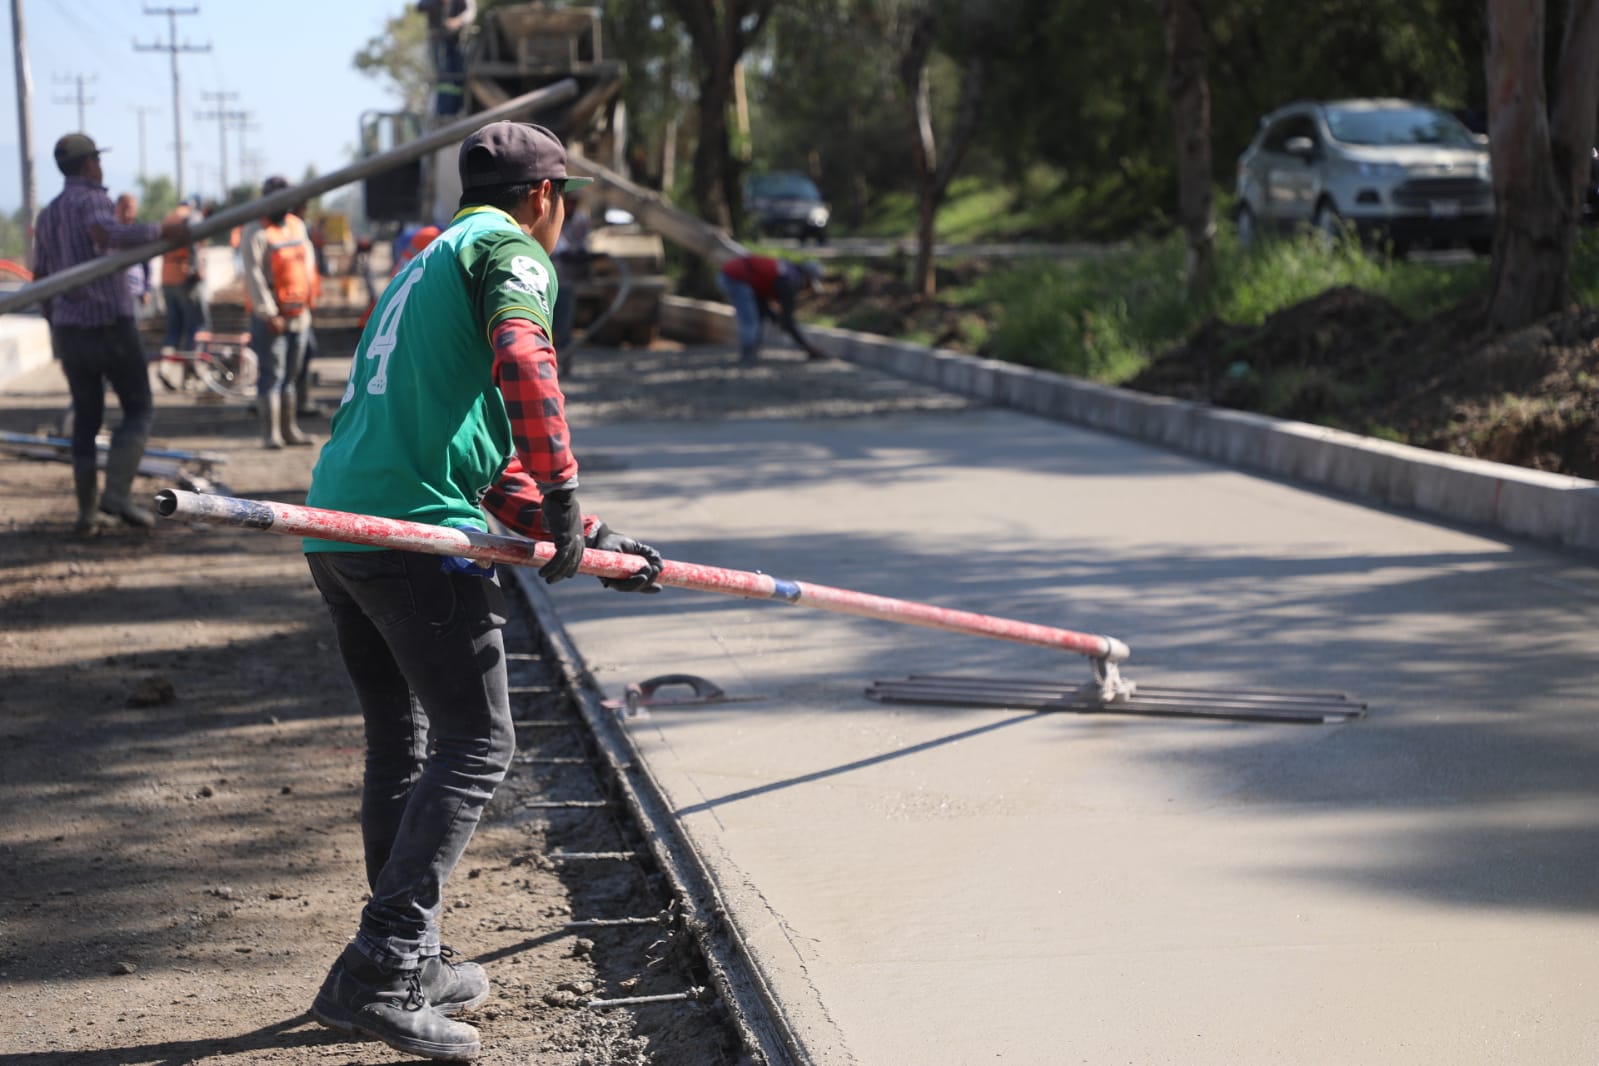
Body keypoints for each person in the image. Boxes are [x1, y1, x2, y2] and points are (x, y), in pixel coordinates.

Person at [301, 121, 664, 1061]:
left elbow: (467, 450)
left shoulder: (427, 259)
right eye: (563, 202)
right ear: (544, 197)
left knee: (406, 740)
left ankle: (405, 955)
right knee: (477, 741)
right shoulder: (512, 254)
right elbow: (524, 359)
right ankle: (379, 969)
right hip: (406, 535)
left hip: (340, 519)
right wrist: (567, 487)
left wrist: (576, 530)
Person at [33, 133, 188, 532]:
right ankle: (115, 496)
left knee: (86, 418)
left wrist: (58, 337)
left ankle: (86, 514)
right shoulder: (93, 200)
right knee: (138, 408)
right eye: (97, 161)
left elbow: (40, 280)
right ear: (89, 165)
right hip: (110, 327)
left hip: (71, 331)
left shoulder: (48, 214)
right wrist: (162, 230)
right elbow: (106, 235)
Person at [240, 175, 320, 449]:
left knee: (292, 375)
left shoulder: (297, 226)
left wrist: (308, 300)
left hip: (299, 315)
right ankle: (271, 432)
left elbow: (307, 265)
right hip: (272, 318)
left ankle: (290, 428)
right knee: (272, 375)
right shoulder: (255, 231)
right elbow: (254, 276)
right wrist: (268, 312)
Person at [715, 253, 827, 363]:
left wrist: (776, 317)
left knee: (758, 317)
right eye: (809, 284)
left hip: (734, 275)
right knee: (750, 321)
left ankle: (751, 353)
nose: (805, 288)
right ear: (807, 275)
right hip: (734, 277)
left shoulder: (787, 271)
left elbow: (763, 304)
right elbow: (787, 322)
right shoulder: (790, 280)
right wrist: (807, 347)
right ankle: (748, 355)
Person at [159, 197, 207, 353]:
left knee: (174, 327)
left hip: (167, 277)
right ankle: (192, 364)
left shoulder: (169, 217)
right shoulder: (192, 216)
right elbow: (193, 242)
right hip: (184, 275)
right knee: (196, 325)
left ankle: (167, 365)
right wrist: (196, 270)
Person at [417, 0, 476, 117]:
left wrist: (459, 21)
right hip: (438, 42)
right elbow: (420, 6)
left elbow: (470, 12)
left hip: (456, 43)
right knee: (444, 79)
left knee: (457, 78)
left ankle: (457, 109)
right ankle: (443, 112)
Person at [550, 186, 590, 353]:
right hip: (552, 279)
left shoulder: (580, 220)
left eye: (575, 203)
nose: (571, 207)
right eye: (569, 203)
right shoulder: (554, 218)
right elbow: (557, 248)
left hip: (567, 280)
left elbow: (582, 244)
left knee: (565, 323)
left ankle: (564, 358)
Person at [114, 193, 153, 321]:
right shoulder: (109, 234)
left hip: (135, 291)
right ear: (117, 209)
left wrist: (147, 289)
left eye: (130, 209)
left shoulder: (140, 233)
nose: (127, 213)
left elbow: (147, 263)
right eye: (124, 208)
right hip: (115, 294)